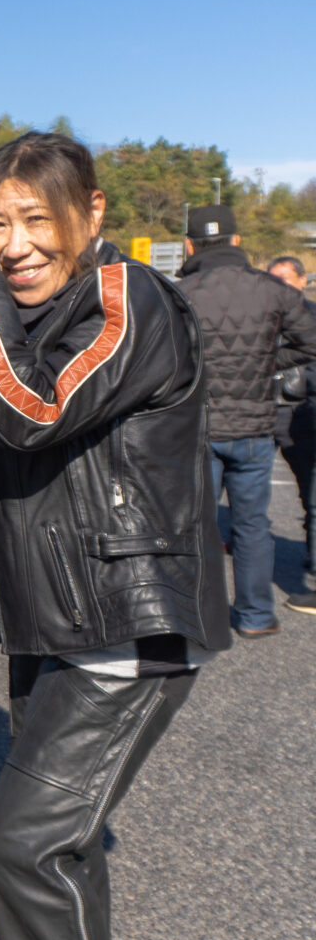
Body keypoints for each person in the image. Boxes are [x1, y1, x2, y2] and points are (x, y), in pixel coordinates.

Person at [0, 132, 230, 940]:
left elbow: (30, 410)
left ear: (92, 212)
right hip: (57, 616)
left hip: (124, 618)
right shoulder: (42, 311)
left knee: (24, 851)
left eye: (36, 219)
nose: (15, 245)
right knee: (60, 851)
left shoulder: (127, 296)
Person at [174, 204, 316, 636]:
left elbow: (160, 359)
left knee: (196, 525)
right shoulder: (271, 288)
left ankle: (199, 617)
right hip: (254, 427)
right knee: (253, 525)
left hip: (199, 427)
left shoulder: (180, 293)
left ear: (190, 246)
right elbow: (311, 342)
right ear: (237, 241)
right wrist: (267, 360)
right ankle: (255, 615)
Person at [265, 255, 316, 613]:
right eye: (272, 279)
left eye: (285, 278)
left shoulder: (311, 315)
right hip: (261, 410)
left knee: (310, 492)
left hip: (299, 413)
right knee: (245, 489)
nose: (278, 285)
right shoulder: (259, 314)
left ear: (302, 280)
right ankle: (240, 543)